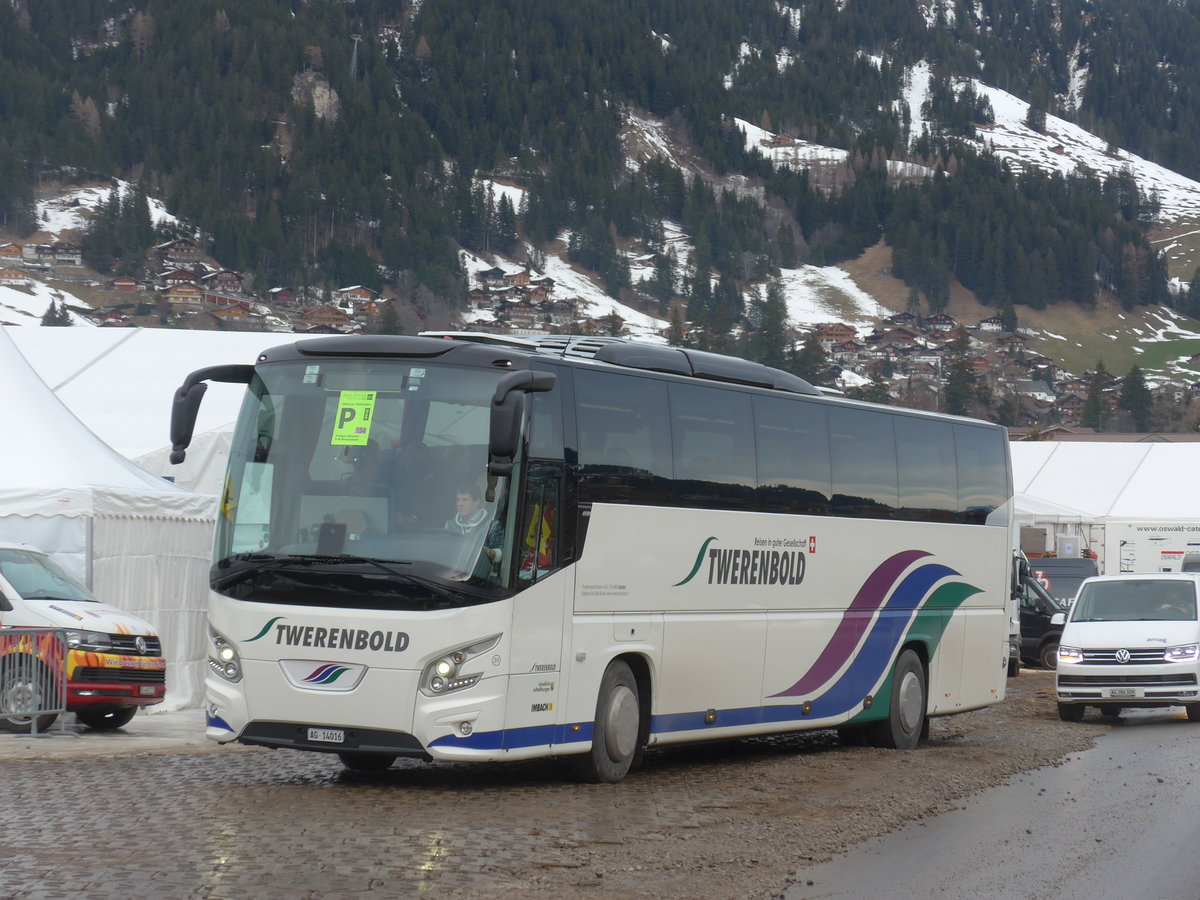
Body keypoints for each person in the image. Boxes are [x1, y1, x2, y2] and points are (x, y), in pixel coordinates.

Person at [445, 482, 503, 565]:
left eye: (465, 500)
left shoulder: (492, 526)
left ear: (476, 502)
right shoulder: (449, 525)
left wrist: (483, 551)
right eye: (458, 500)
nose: (460, 504)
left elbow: (500, 555)